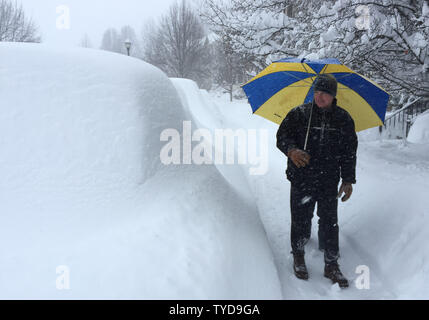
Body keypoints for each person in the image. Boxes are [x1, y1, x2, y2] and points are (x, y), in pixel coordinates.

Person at [276, 74, 358, 288]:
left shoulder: (344, 119)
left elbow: (349, 152)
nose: (320, 97)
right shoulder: (299, 114)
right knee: (301, 217)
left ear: (333, 96)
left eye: (325, 93)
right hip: (302, 176)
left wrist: (348, 180)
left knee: (330, 221)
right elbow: (281, 136)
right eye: (317, 92)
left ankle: (331, 263)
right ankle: (298, 253)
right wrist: (291, 150)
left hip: (329, 179)